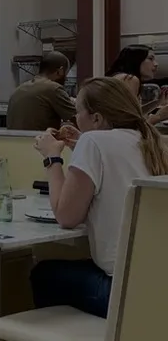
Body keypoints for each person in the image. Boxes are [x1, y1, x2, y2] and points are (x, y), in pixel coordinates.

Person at [31, 77, 168, 318]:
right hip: (158, 287)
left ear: (96, 118)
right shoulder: (152, 140)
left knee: (43, 274)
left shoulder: (93, 141)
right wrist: (82, 146)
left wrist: (52, 158)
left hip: (124, 294)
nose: (75, 119)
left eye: (77, 112)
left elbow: (66, 217)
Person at [6, 51, 76, 130]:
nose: (66, 79)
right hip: (39, 137)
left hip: (14, 137)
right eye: (66, 74)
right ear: (60, 71)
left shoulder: (18, 89)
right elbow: (79, 119)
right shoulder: (54, 88)